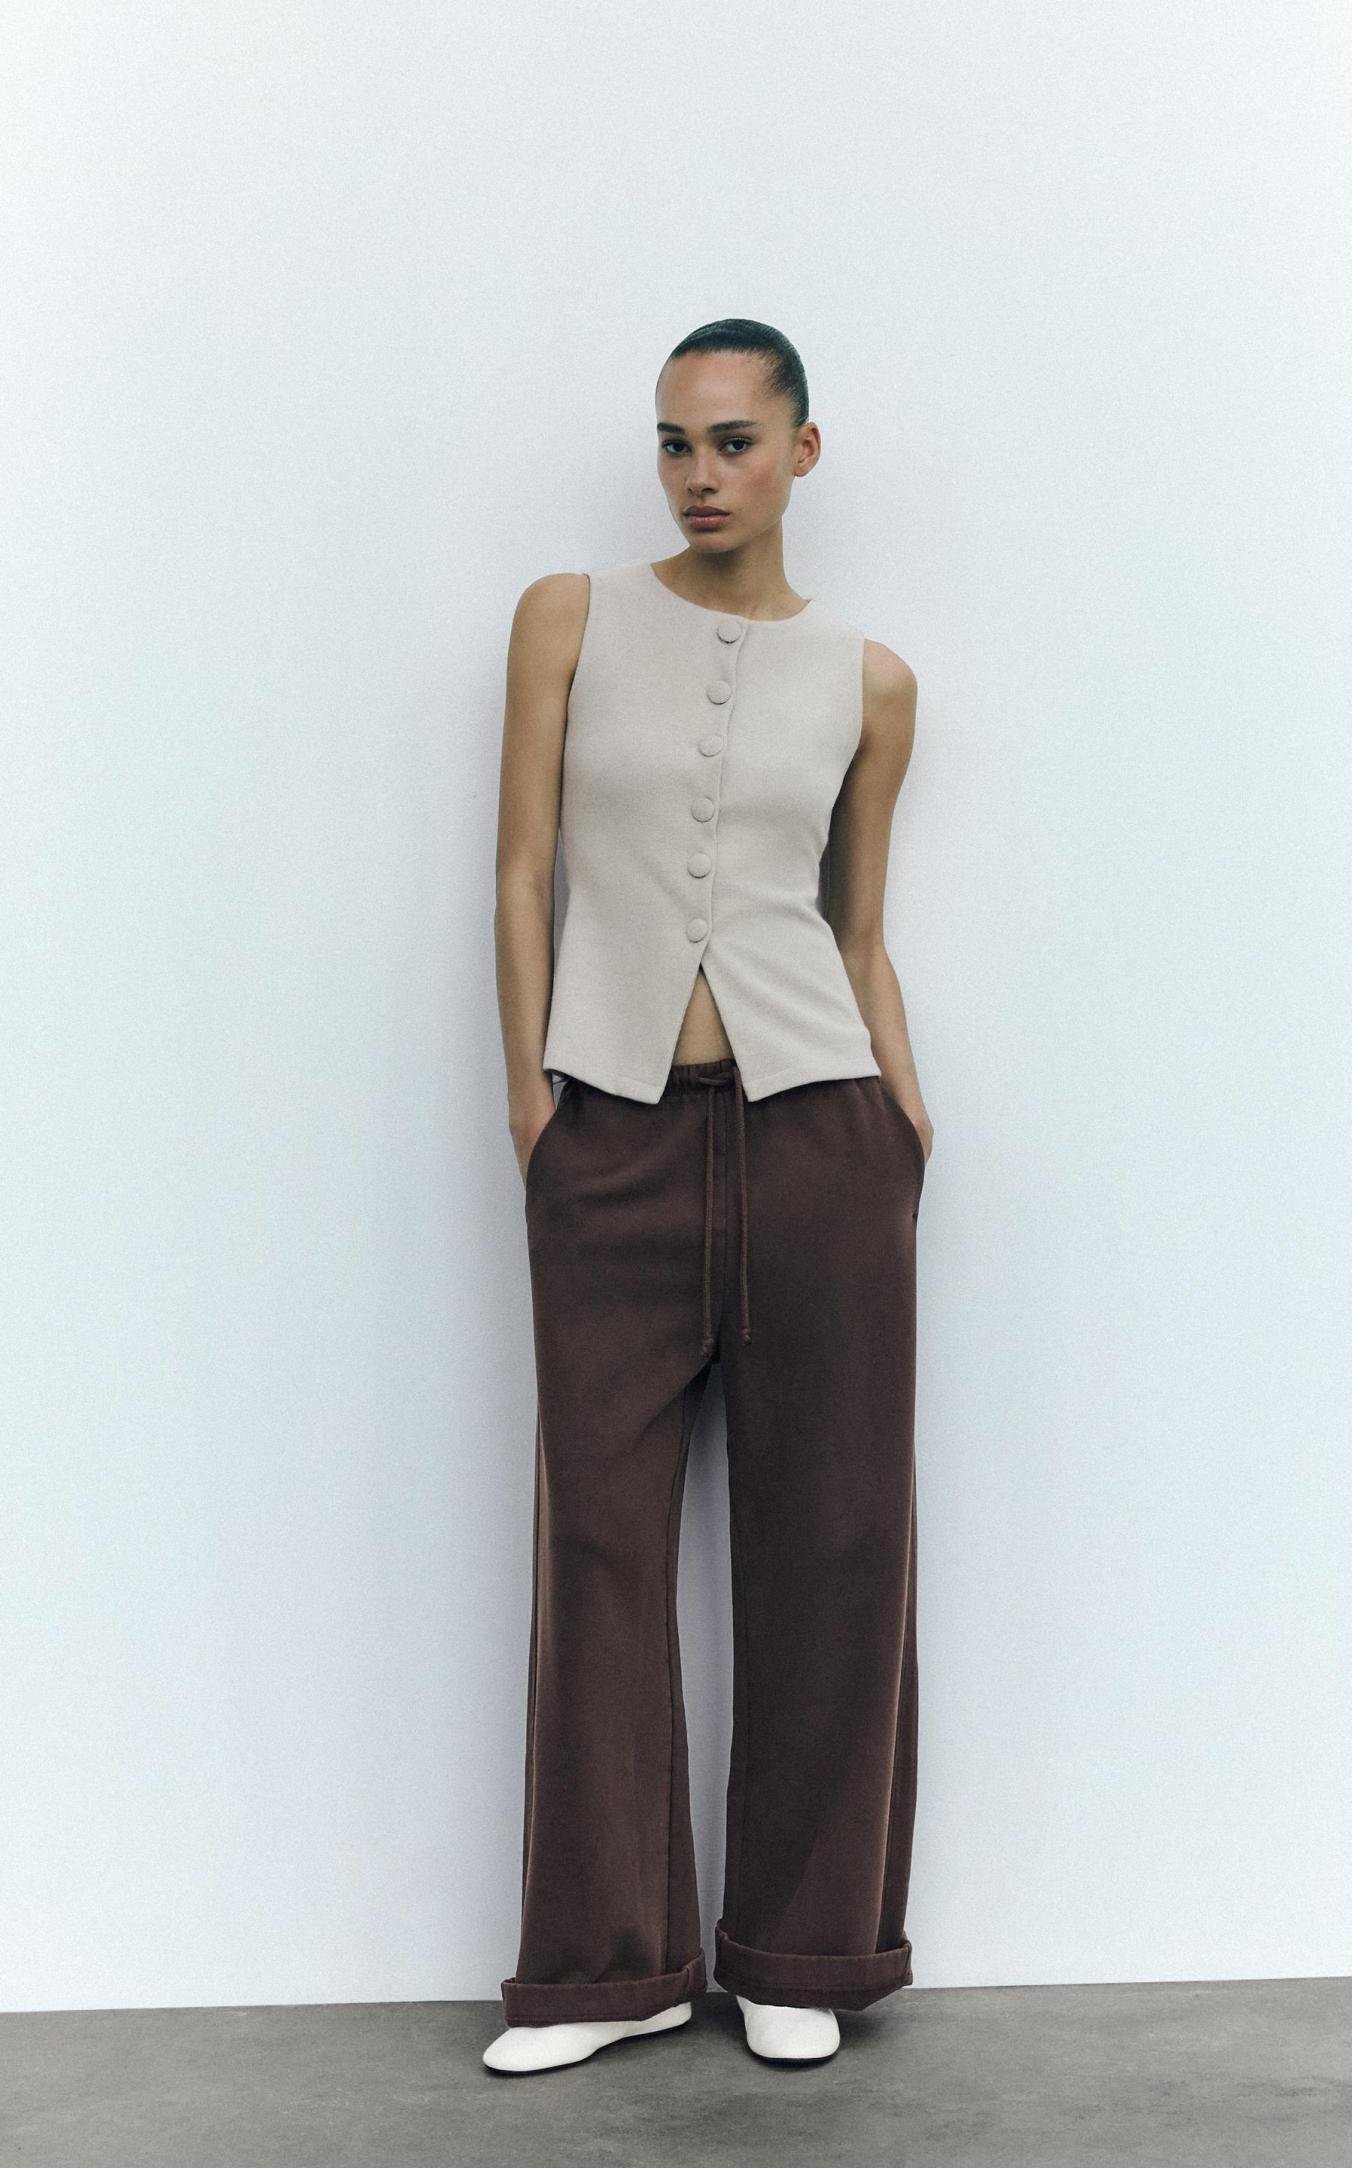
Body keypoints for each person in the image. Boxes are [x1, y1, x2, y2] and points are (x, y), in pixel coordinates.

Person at [486, 318, 931, 2074]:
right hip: (607, 1129)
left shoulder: (870, 682)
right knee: (597, 1544)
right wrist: (531, 1106)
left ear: (801, 451)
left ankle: (801, 1953)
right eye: (675, 442)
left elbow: (857, 930)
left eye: (735, 441)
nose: (698, 473)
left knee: (834, 1541)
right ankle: (612, 1969)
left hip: (821, 1131)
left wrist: (904, 1124)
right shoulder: (567, 617)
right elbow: (521, 873)